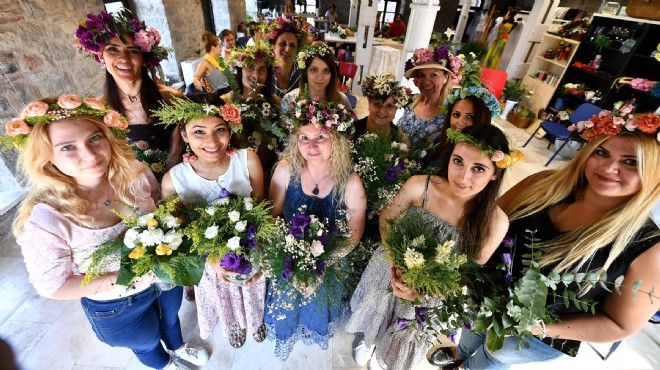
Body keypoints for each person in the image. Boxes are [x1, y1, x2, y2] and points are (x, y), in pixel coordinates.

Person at [7, 96, 207, 370]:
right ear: (47, 156)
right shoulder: (47, 218)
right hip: (116, 305)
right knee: (146, 342)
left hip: (162, 277)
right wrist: (118, 279)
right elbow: (51, 286)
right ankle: (165, 364)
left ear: (108, 136)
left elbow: (162, 209)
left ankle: (178, 347)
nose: (89, 155)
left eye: (94, 138)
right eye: (67, 147)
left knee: (170, 319)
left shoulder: (136, 172)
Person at [450, 112, 660, 369]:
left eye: (631, 162)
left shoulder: (649, 248)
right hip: (483, 301)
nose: (608, 168)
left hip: (535, 336)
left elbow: (619, 324)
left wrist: (540, 328)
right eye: (602, 153)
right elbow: (485, 228)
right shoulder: (542, 185)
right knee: (471, 333)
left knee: (492, 357)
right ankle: (459, 353)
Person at [346, 125, 513, 370]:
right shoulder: (421, 186)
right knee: (376, 310)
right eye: (458, 161)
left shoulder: (495, 222)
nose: (463, 177)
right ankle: (368, 341)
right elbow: (387, 219)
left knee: (404, 335)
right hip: (389, 272)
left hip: (431, 295)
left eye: (478, 168)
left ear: (495, 173)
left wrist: (422, 292)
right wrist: (396, 264)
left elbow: (468, 272)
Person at [155, 94, 266, 348]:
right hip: (210, 262)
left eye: (220, 130)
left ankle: (256, 319)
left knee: (252, 290)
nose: (212, 141)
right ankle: (234, 325)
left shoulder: (247, 160)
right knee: (223, 297)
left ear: (230, 129)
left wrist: (259, 255)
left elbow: (263, 211)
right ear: (184, 135)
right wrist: (213, 260)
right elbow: (179, 234)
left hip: (250, 252)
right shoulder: (174, 180)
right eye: (199, 132)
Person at [265, 98, 366, 361]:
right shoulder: (286, 170)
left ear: (337, 139)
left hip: (331, 260)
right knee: (287, 299)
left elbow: (353, 235)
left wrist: (317, 267)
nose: (311, 146)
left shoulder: (351, 182)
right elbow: (273, 216)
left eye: (320, 136)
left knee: (317, 303)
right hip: (287, 255)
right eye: (303, 137)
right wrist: (292, 258)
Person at [74, 9, 182, 151]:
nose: (124, 58)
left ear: (144, 60)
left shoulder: (170, 97)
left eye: (132, 51)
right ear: (101, 57)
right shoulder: (100, 109)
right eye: (113, 49)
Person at [223, 44, 283, 194]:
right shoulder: (225, 102)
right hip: (234, 173)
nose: (255, 74)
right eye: (250, 67)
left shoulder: (275, 102)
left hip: (268, 170)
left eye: (262, 69)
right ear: (240, 69)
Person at [425, 86, 501, 166]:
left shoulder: (489, 154)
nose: (460, 122)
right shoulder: (436, 140)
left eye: (470, 117)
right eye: (456, 115)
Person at [397, 45, 453, 150]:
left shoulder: (451, 114)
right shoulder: (411, 100)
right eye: (422, 75)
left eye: (433, 75)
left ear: (446, 78)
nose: (426, 82)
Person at [280, 42, 351, 113]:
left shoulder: (342, 100)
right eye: (314, 70)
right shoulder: (289, 100)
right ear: (306, 72)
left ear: (332, 74)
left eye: (326, 71)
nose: (320, 77)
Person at [353, 73, 412, 143]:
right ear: (369, 104)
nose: (382, 111)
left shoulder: (401, 138)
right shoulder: (351, 131)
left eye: (389, 106)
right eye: (377, 104)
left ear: (396, 109)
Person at [263, 16, 309, 97]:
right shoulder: (265, 71)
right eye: (283, 44)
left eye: (292, 45)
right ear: (273, 46)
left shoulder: (303, 74)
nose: (287, 49)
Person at [191, 32, 231, 97]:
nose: (221, 49)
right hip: (220, 96)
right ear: (213, 48)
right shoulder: (205, 63)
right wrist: (196, 80)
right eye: (220, 46)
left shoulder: (218, 60)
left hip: (229, 91)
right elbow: (195, 77)